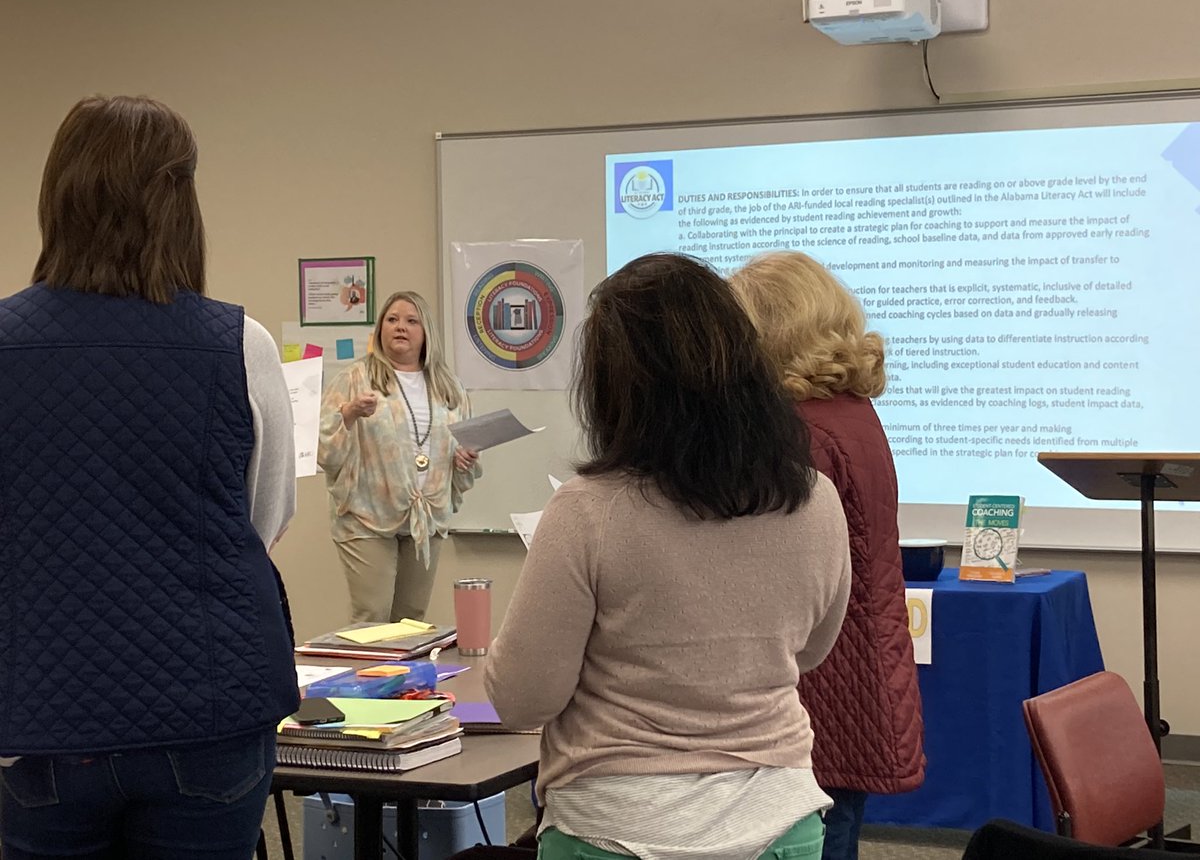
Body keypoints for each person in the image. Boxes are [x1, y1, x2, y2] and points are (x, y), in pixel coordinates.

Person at [0, 95, 299, 858]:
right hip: (210, 704)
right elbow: (260, 522)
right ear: (180, 200)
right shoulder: (240, 343)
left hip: (40, 711)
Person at [484, 252, 853, 860]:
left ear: (613, 387)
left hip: (617, 827)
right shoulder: (815, 499)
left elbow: (524, 698)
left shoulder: (587, 511)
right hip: (780, 820)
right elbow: (811, 649)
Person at [731, 250, 926, 860]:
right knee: (838, 831)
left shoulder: (801, 434)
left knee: (816, 836)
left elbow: (766, 565)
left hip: (819, 678)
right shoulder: (852, 414)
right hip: (860, 666)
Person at [318, 290, 480, 623]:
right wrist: (348, 413)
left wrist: (462, 459)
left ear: (426, 332)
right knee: (372, 616)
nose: (400, 327)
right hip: (367, 515)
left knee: (412, 620)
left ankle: (406, 678)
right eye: (392, 320)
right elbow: (324, 449)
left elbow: (462, 448)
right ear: (380, 330)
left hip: (427, 516)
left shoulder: (449, 387)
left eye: (411, 320)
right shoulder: (355, 379)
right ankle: (369, 677)